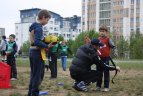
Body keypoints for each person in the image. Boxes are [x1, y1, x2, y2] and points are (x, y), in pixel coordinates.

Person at [28, 9, 53, 96]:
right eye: (47, 20)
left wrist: (44, 40)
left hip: (31, 51)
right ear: (43, 17)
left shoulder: (33, 26)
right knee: (38, 76)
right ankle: (34, 93)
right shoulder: (39, 27)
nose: (47, 22)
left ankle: (30, 93)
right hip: (37, 53)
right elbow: (37, 42)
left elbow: (35, 40)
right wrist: (47, 46)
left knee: (33, 74)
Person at [96, 25, 118, 92]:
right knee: (99, 73)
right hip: (99, 59)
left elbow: (114, 47)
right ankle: (98, 86)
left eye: (103, 31)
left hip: (106, 59)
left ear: (106, 32)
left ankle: (106, 87)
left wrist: (115, 52)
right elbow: (95, 48)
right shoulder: (98, 39)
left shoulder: (108, 39)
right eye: (100, 31)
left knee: (106, 73)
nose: (102, 32)